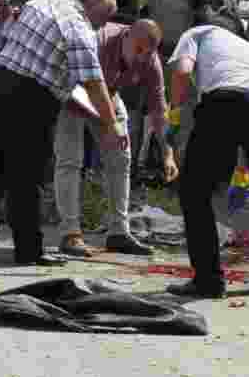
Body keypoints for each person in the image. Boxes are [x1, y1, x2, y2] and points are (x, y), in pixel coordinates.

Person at [0, 0, 124, 266]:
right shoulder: (78, 28)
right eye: (106, 12)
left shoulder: (39, 3)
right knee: (25, 176)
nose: (106, 21)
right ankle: (28, 251)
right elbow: (93, 82)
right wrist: (111, 126)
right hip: (29, 97)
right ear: (90, 3)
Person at [164, 20, 249, 298]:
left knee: (194, 191)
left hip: (224, 101)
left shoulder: (193, 33)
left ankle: (208, 280)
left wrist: (174, 115)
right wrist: (242, 176)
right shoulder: (244, 45)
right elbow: (248, 104)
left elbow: (182, 72)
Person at [55, 19, 174, 258]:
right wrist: (110, 125)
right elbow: (85, 88)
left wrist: (167, 152)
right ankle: (71, 234)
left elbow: (159, 108)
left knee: (122, 157)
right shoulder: (100, 40)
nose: (140, 58)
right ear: (127, 36)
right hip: (72, 89)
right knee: (71, 159)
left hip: (108, 93)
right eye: (138, 50)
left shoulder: (150, 60)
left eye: (147, 53)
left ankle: (119, 232)